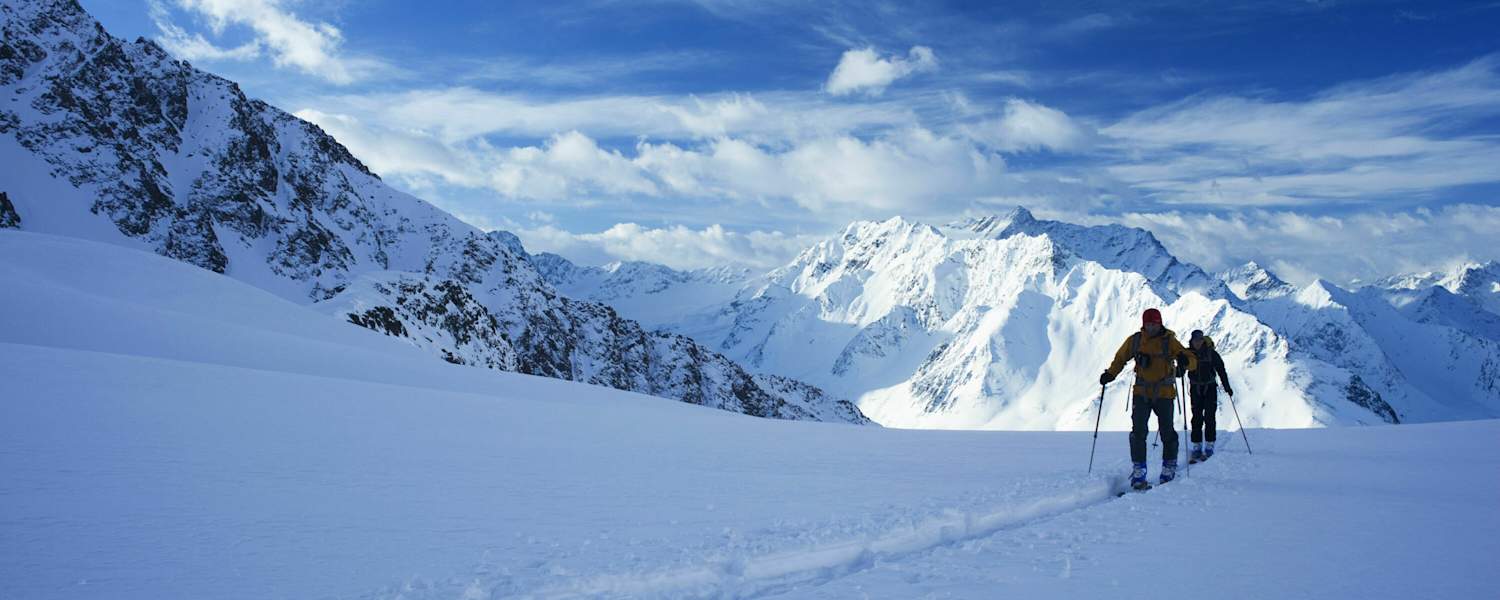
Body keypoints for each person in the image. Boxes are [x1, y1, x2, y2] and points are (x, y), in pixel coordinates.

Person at [1099, 308, 1197, 489]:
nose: (1151, 327)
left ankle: (1168, 467)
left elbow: (1191, 360)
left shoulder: (1169, 341)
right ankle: (1139, 471)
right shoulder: (1136, 341)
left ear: (1160, 323)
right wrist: (1110, 374)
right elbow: (1120, 358)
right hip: (1142, 392)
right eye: (1148, 324)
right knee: (1138, 432)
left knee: (1167, 431)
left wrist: (1185, 361)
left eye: (1154, 324)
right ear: (1143, 323)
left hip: (1164, 393)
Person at [1186, 330, 1233, 463]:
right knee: (1196, 417)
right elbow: (1181, 370)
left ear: (1203, 341)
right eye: (1195, 340)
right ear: (1192, 341)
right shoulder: (1189, 354)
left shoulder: (1211, 354)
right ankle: (1197, 445)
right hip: (1196, 388)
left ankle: (1208, 445)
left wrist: (1227, 386)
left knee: (1209, 417)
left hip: (1209, 388)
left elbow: (1221, 371)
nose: (1197, 342)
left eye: (1199, 340)